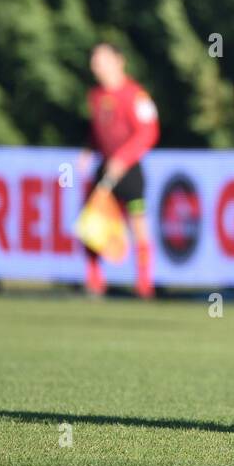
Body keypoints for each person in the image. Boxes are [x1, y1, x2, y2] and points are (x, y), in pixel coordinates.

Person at [80, 43, 160, 298]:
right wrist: (88, 151)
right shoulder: (95, 96)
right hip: (105, 168)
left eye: (102, 60)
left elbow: (148, 132)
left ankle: (144, 283)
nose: (97, 66)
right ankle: (94, 280)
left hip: (129, 170)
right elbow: (99, 132)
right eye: (94, 61)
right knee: (92, 223)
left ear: (119, 61)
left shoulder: (135, 95)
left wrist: (123, 159)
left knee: (138, 224)